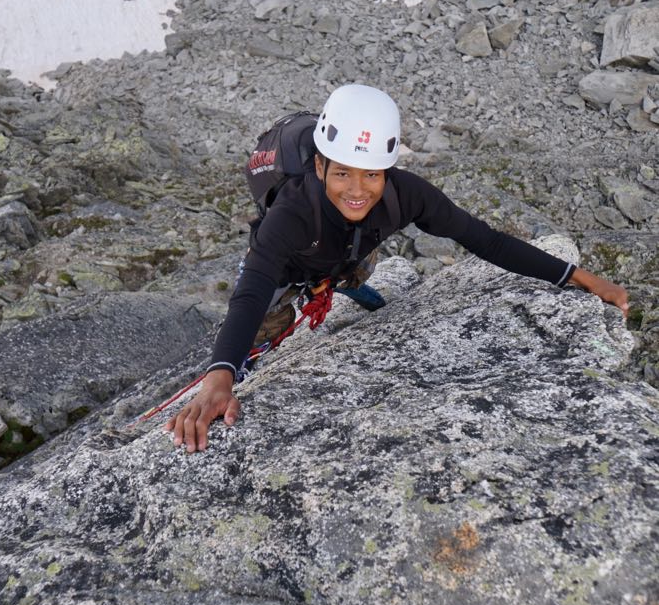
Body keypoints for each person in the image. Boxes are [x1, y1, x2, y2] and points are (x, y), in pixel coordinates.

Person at [165, 84, 629, 453]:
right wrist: (221, 375)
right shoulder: (291, 212)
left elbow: (485, 240)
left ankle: (344, 280)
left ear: (388, 171)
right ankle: (315, 293)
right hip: (291, 261)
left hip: (347, 252)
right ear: (321, 165)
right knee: (266, 316)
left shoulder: (407, 195)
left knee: (354, 263)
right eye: (343, 172)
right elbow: (251, 289)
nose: (358, 189)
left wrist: (578, 276)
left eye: (372, 175)